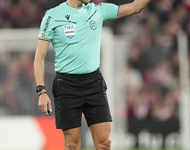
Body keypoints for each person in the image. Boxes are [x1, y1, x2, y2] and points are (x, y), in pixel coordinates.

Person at [34, 0, 150, 149]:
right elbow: (39, 58)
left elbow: (136, 6)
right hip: (66, 85)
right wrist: (41, 91)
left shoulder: (97, 10)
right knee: (72, 144)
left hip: (93, 83)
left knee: (104, 142)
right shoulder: (52, 16)